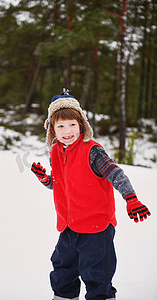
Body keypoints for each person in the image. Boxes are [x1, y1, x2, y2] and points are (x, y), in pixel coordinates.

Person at [31, 89, 151, 300]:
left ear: (82, 125)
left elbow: (116, 173)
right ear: (52, 130)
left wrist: (131, 198)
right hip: (68, 227)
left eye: (72, 125)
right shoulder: (56, 152)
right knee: (62, 270)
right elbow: (61, 183)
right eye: (61, 126)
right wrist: (46, 180)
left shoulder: (93, 152)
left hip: (97, 229)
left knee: (97, 276)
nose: (67, 130)